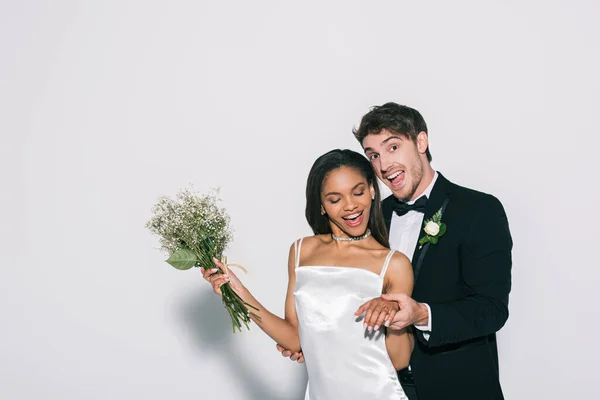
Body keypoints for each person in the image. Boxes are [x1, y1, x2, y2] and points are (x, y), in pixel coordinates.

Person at [279, 103, 513, 400]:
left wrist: (421, 314)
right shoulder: (368, 216)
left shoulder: (478, 210)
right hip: (379, 389)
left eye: (392, 147)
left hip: (457, 387)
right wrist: (313, 341)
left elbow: (491, 309)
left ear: (421, 142)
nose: (384, 165)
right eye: (373, 155)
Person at [203, 149, 415, 399]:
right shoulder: (301, 251)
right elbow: (294, 339)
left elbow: (400, 360)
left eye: (357, 192)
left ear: (371, 190)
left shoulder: (394, 264)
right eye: (335, 199)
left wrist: (394, 316)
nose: (350, 206)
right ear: (322, 206)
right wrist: (238, 291)